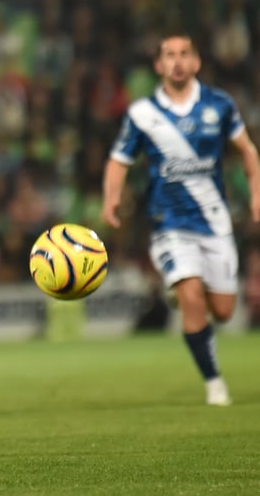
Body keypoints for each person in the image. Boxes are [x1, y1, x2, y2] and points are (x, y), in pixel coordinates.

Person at [101, 34, 260, 406]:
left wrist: (256, 193)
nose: (176, 61)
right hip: (169, 224)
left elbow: (248, 151)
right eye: (169, 55)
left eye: (184, 54)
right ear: (158, 65)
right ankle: (214, 383)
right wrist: (112, 198)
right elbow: (118, 161)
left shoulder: (219, 105)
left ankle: (186, 288)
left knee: (222, 310)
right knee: (191, 297)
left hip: (215, 224)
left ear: (197, 62)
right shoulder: (143, 114)